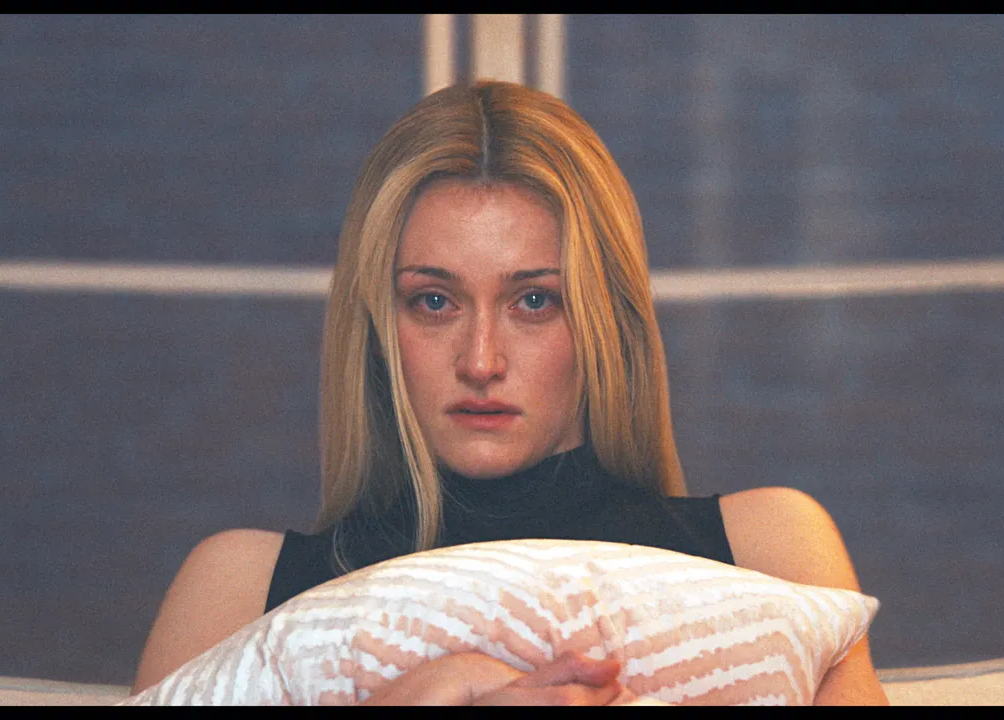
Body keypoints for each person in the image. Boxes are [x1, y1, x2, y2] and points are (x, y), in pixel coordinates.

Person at [130, 80, 889, 705]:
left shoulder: (767, 550)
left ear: (606, 319)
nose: (481, 360)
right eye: (434, 301)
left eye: (534, 301)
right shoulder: (239, 587)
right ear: (378, 326)